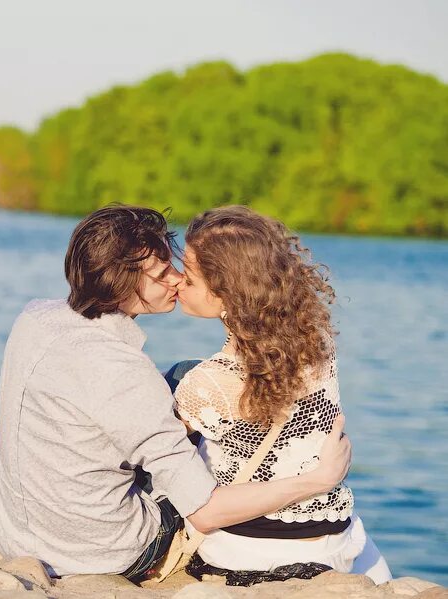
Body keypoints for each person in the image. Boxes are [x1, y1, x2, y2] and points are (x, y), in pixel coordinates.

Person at [0, 205, 352, 581]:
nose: (177, 279)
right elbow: (204, 511)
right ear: (121, 284)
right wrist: (317, 481)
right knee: (199, 390)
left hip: (14, 535)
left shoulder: (34, 318)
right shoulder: (128, 376)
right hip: (101, 553)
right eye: (163, 273)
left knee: (186, 376)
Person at [171, 206, 391, 583]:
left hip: (256, 550)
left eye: (188, 277)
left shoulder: (207, 384)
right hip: (335, 539)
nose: (176, 282)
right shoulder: (317, 345)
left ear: (227, 293)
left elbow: (163, 465)